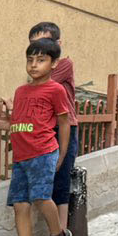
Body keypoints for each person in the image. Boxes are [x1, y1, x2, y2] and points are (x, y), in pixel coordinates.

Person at [3, 36, 73, 236]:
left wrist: (62, 155)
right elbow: (17, 123)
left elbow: (64, 123)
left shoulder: (56, 90)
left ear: (53, 64)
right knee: (20, 204)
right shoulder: (21, 91)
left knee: (41, 197)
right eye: (30, 60)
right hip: (21, 156)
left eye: (41, 60)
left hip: (44, 152)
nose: (34, 65)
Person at [31, 19, 81, 217]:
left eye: (45, 44)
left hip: (64, 127)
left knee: (60, 179)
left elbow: (39, 86)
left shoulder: (64, 64)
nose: (39, 50)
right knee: (43, 179)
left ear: (58, 45)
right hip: (44, 127)